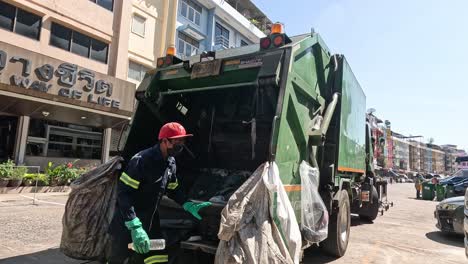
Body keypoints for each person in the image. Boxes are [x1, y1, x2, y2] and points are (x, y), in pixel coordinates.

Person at [108, 122, 211, 264]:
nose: (181, 144)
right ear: (164, 141)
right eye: (177, 141)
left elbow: (173, 189)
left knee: (157, 259)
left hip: (150, 222)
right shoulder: (141, 161)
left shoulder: (171, 162)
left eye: (183, 140)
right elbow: (124, 194)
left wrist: (187, 204)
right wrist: (134, 226)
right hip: (128, 223)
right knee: (119, 259)